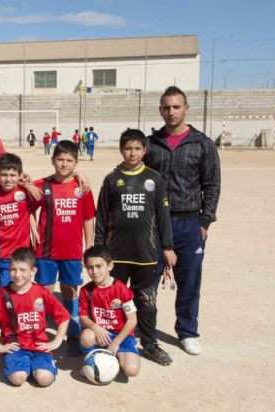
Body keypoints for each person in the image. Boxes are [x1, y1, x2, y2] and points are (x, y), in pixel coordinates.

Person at [144, 86, 221, 355]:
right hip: (154, 223)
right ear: (160, 110)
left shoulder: (203, 144)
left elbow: (212, 185)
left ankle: (187, 331)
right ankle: (145, 330)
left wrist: (204, 223)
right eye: (166, 107)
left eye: (176, 107)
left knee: (189, 280)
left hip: (189, 223)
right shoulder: (150, 144)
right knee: (147, 279)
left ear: (186, 108)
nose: (171, 112)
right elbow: (132, 172)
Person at [94, 128, 177, 366]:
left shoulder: (154, 179)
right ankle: (115, 340)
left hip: (146, 254)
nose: (132, 153)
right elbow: (101, 216)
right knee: (114, 300)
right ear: (121, 150)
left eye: (137, 148)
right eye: (128, 148)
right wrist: (99, 250)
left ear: (145, 150)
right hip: (115, 254)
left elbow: (163, 216)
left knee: (146, 300)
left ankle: (149, 343)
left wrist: (168, 246)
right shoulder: (112, 179)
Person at [31, 140, 95, 353]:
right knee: (45, 292)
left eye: (69, 160)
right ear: (52, 160)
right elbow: (28, 208)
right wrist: (33, 231)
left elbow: (88, 218)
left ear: (76, 162)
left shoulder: (82, 188)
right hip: (46, 251)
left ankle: (73, 333)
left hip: (72, 250)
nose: (64, 164)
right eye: (60, 159)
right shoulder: (43, 185)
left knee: (70, 290)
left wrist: (90, 246)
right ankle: (39, 333)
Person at [0, 248, 70, 387]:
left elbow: (63, 316)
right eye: (13, 269)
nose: (17, 274)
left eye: (22, 270)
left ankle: (36, 368)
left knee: (44, 379)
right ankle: (20, 367)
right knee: (18, 378)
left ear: (33, 271)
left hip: (39, 345)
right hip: (16, 347)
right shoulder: (3, 295)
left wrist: (57, 340)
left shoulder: (41, 292)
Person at [78, 246, 140, 378]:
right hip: (101, 334)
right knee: (86, 336)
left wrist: (116, 343)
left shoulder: (122, 290)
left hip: (122, 336)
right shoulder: (85, 290)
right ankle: (91, 362)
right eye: (90, 267)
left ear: (110, 266)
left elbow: (132, 320)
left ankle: (115, 355)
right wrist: (95, 327)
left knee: (131, 370)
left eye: (99, 266)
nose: (94, 271)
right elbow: (83, 317)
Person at [0, 153, 37, 290]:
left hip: (18, 255)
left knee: (9, 290)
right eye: (4, 175)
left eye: (12, 175)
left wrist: (76, 173)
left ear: (19, 175)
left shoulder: (26, 192)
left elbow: (53, 182)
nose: (8, 179)